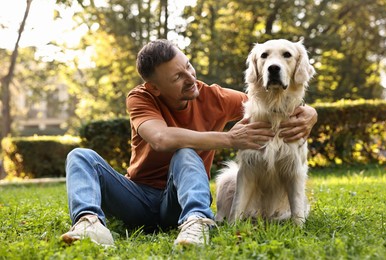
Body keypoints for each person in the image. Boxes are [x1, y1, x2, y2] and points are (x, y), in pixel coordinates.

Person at [60, 39, 317, 247]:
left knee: (185, 154)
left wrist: (310, 113)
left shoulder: (214, 96)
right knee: (80, 156)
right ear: (155, 88)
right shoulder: (140, 98)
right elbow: (161, 138)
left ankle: (197, 223)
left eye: (188, 67)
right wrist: (228, 138)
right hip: (138, 198)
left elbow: (267, 102)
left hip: (181, 201)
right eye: (177, 78)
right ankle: (89, 224)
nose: (190, 78)